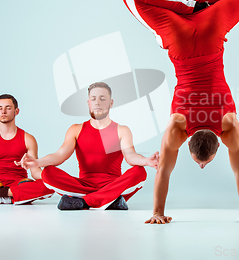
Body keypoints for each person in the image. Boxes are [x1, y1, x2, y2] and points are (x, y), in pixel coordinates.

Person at [123, 0, 239, 224]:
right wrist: (157, 213)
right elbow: (164, 173)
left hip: (212, 34)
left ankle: (194, 4)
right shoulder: (178, 126)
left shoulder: (229, 124)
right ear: (187, 141)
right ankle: (183, 10)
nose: (202, 167)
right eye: (204, 163)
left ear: (218, 144)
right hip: (179, 42)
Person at [18, 82, 158, 210]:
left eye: (102, 99)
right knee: (47, 173)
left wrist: (147, 161)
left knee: (140, 172)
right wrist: (37, 162)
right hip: (83, 185)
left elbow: (131, 156)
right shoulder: (76, 129)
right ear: (88, 103)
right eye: (93, 99)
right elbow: (60, 155)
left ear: (111, 102)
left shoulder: (122, 130)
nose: (97, 102)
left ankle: (83, 202)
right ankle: (109, 201)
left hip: (113, 185)